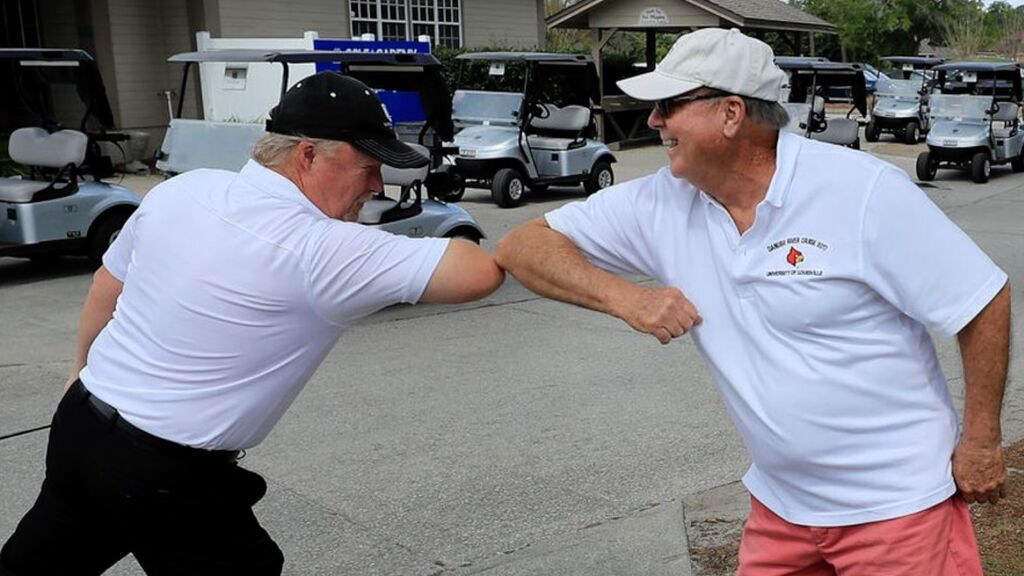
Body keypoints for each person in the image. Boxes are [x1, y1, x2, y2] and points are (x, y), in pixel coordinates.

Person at [495, 28, 1010, 576]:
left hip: (897, 510)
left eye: (668, 105)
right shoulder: (664, 201)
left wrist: (980, 442)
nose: (653, 121)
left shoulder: (861, 192)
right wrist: (625, 298)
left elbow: (981, 300)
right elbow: (520, 246)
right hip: (782, 509)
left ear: (732, 113)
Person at [0, 72, 504, 576]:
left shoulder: (186, 189)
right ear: (307, 154)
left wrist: (79, 371)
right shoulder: (319, 249)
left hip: (81, 423)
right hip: (163, 472)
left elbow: (107, 286)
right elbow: (478, 271)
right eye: (369, 166)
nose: (376, 186)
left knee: (42, 561)